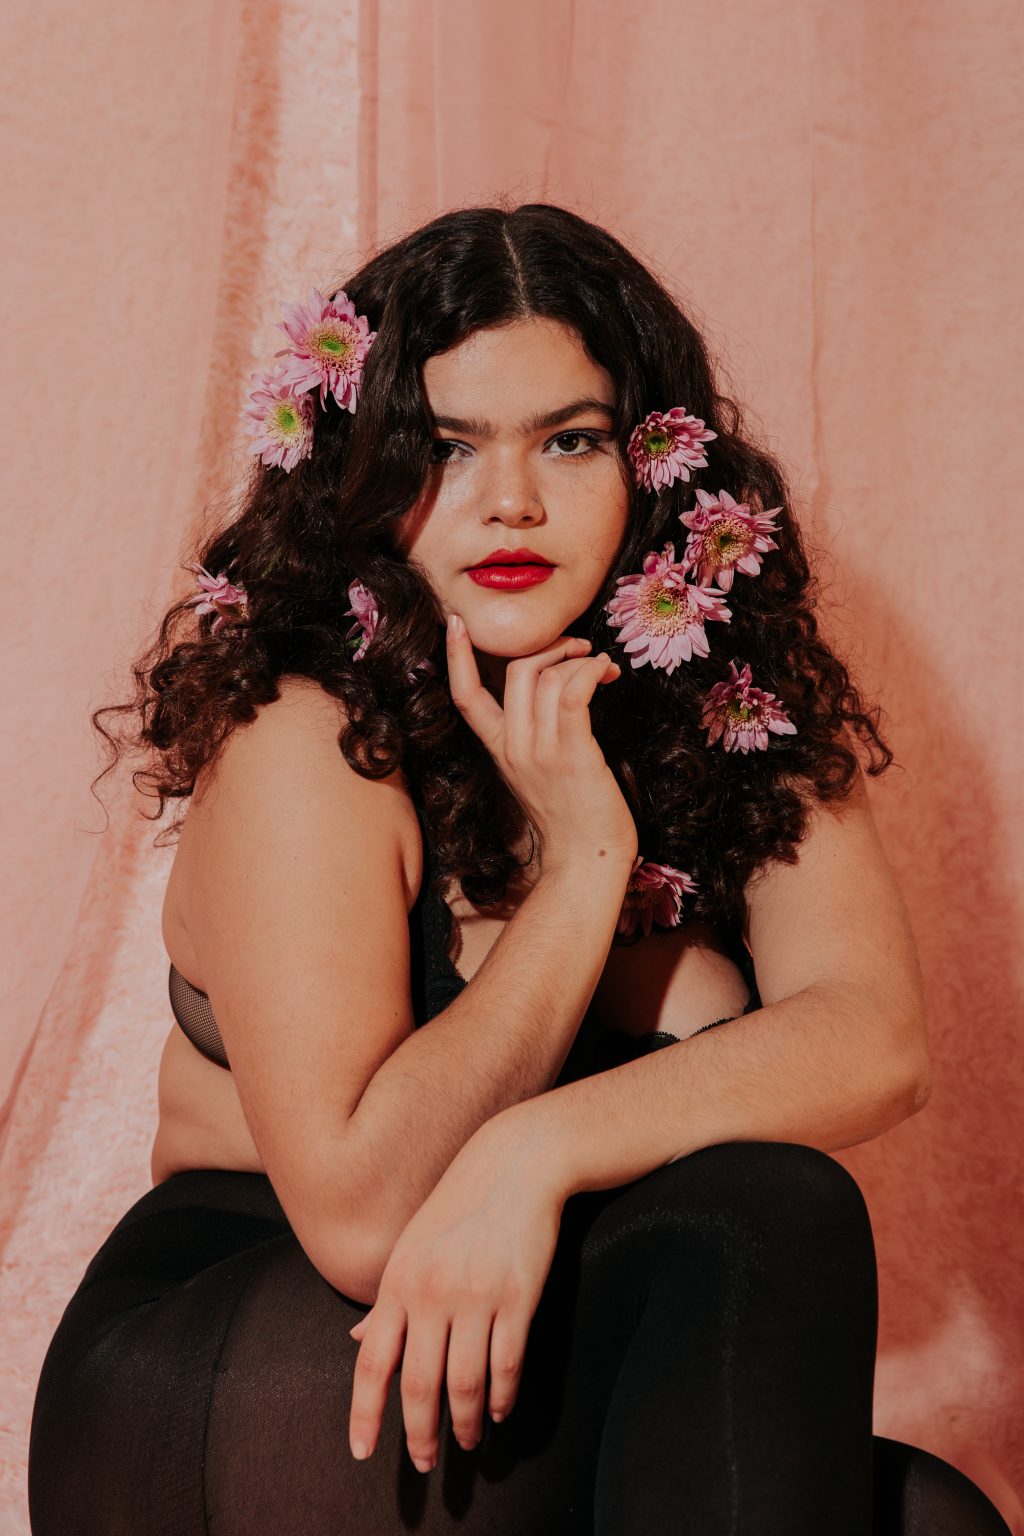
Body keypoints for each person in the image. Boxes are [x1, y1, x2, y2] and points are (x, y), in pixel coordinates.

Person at [27, 202, 1011, 1534]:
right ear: (361, 470)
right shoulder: (307, 737)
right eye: (445, 448)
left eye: (571, 439)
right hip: (257, 1357)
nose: (512, 503)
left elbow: (875, 1040)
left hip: (556, 1309)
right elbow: (366, 1214)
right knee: (764, 1207)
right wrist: (589, 861)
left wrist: (533, 1154)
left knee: (933, 1518)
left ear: (656, 462)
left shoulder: (732, 708)